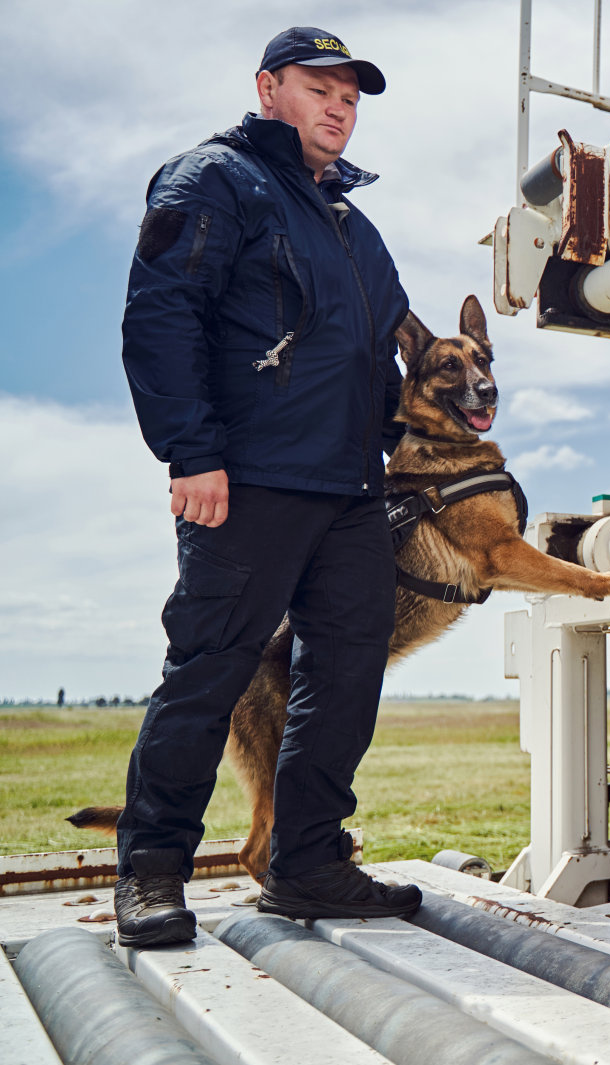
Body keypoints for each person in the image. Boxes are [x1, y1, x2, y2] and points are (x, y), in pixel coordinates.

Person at [116, 27, 419, 947]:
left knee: (347, 675)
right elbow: (162, 314)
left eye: (351, 96)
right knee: (210, 669)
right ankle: (152, 871)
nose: (340, 108)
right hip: (247, 479)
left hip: (351, 491)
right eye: (320, 88)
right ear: (267, 89)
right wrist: (190, 452)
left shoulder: (353, 226)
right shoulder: (214, 179)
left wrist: (391, 442)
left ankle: (307, 863)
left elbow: (379, 353)